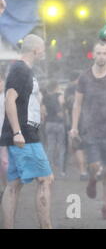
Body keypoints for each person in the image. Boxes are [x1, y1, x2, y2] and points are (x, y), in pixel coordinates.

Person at [0, 34, 53, 229]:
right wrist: (17, 132)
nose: (44, 52)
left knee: (13, 184)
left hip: (24, 133)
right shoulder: (20, 69)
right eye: (43, 48)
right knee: (45, 179)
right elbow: (9, 99)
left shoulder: (23, 69)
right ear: (36, 50)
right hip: (24, 135)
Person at [70, 42, 106, 220]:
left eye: (104, 53)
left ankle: (105, 206)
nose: (101, 56)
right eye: (98, 53)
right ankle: (93, 178)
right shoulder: (84, 77)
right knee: (95, 166)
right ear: (93, 55)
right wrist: (73, 127)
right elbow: (77, 104)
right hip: (91, 129)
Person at [64, 71, 88, 181]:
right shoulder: (81, 88)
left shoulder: (67, 90)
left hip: (73, 120)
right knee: (86, 145)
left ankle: (83, 172)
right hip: (85, 119)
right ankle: (93, 170)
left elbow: (66, 105)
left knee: (78, 147)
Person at [42, 80, 66, 177]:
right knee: (61, 147)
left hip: (48, 123)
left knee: (50, 146)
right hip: (58, 123)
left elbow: (43, 111)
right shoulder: (59, 95)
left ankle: (48, 170)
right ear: (56, 87)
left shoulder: (45, 97)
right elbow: (62, 104)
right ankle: (62, 171)